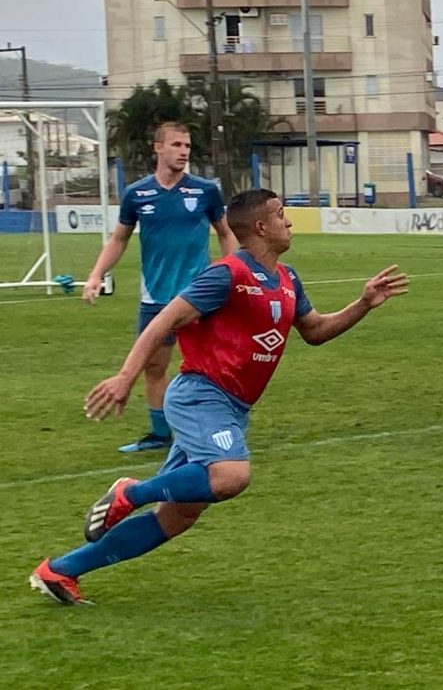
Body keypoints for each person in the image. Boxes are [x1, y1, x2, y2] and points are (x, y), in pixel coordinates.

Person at [30, 189, 408, 605]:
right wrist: (125, 377)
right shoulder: (226, 275)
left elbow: (315, 331)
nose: (290, 222)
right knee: (231, 476)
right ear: (261, 227)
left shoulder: (288, 279)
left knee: (178, 518)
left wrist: (364, 304)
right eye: (282, 215)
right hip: (200, 396)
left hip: (232, 407)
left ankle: (60, 571)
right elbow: (163, 323)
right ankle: (129, 492)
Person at [83, 121, 238, 453]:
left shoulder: (205, 191)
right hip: (155, 296)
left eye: (187, 146)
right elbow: (119, 239)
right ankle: (160, 435)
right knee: (154, 366)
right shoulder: (137, 194)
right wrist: (96, 274)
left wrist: (235, 272)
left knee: (212, 367)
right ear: (158, 148)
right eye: (177, 145)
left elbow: (225, 232)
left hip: (199, 297)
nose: (184, 152)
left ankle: (220, 428)